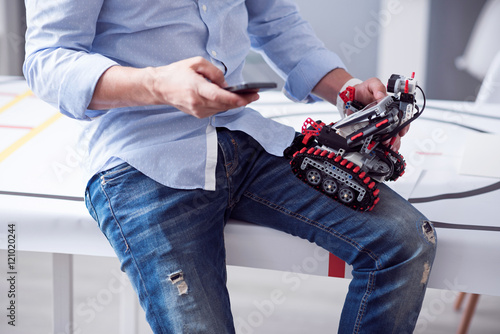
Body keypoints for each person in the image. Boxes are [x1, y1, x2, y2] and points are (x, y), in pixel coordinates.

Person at [23, 0, 436, 333]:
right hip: (142, 161)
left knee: (404, 241)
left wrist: (346, 90)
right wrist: (157, 84)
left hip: (246, 137)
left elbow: (274, 20)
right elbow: (47, 59)